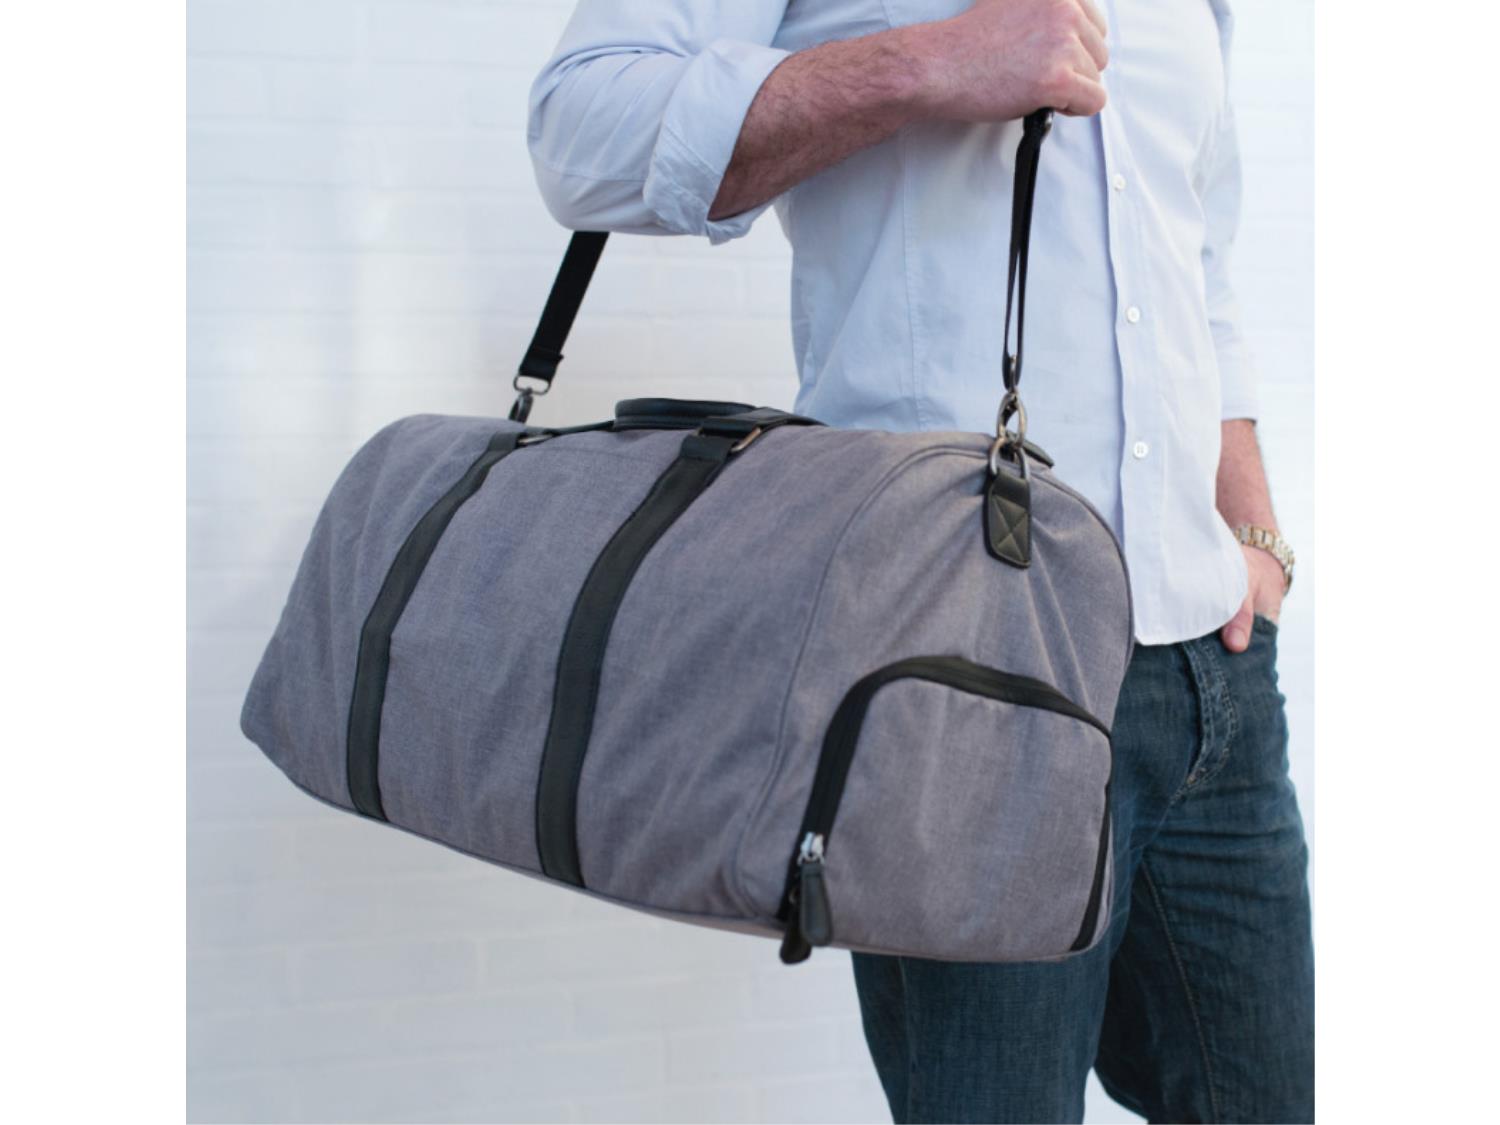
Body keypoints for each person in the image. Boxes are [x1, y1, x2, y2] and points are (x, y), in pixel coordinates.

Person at [527, 1, 1314, 1121]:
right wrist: (931, 62)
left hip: (1211, 664)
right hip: (963, 681)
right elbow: (578, 129)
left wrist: (1257, 536)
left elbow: (1198, 265)